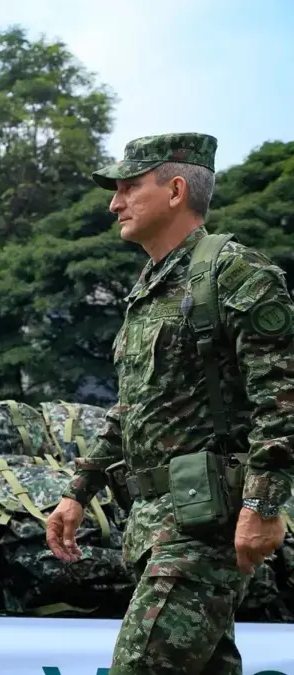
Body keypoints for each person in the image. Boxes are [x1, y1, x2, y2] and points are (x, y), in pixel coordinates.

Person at [46, 133, 294, 675]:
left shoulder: (236, 273)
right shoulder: (150, 288)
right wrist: (78, 491)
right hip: (154, 527)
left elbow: (282, 400)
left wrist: (264, 505)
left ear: (176, 190)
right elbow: (132, 407)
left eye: (129, 187)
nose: (115, 203)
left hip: (202, 529)